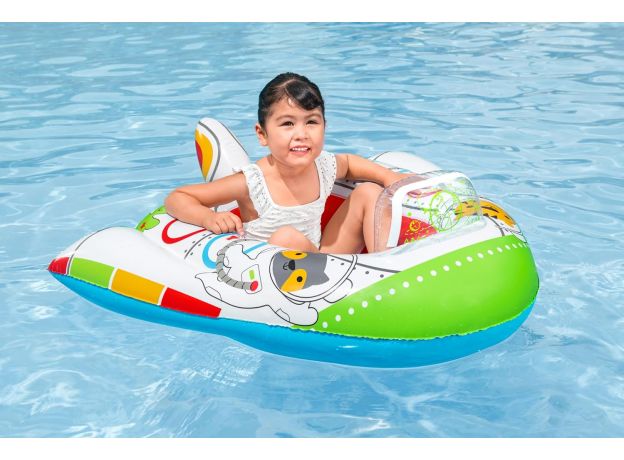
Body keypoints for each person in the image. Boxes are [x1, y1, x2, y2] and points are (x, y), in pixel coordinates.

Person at [165, 72, 407, 254]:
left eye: (311, 122)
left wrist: (390, 178)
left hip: (325, 263)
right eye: (287, 124)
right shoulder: (253, 183)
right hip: (280, 276)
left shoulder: (323, 165)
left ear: (324, 126)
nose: (301, 134)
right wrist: (208, 218)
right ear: (262, 134)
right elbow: (178, 198)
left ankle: (385, 264)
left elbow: (350, 163)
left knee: (369, 192)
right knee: (286, 238)